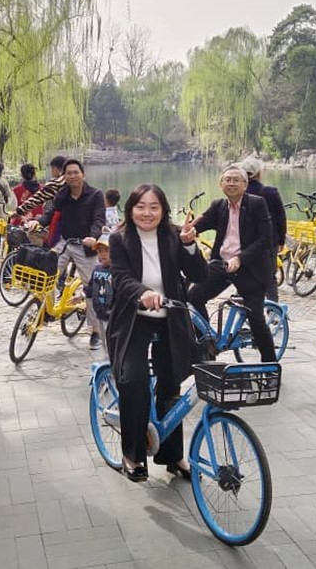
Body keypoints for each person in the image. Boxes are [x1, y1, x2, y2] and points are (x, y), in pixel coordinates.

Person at [106, 183, 206, 482]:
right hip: (134, 320)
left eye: (154, 207)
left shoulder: (174, 236)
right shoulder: (119, 238)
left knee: (171, 384)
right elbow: (120, 278)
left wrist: (190, 246)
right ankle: (132, 455)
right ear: (131, 208)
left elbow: (199, 275)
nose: (147, 213)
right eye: (141, 206)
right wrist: (143, 293)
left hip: (170, 318)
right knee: (134, 382)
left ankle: (173, 456)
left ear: (163, 210)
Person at [187, 164, 276, 362]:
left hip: (250, 268)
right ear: (221, 184)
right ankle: (207, 344)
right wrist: (185, 233)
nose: (231, 183)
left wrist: (240, 258)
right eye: (227, 179)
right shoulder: (218, 206)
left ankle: (270, 363)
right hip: (222, 266)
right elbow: (196, 227)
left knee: (256, 319)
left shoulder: (257, 204)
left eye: (236, 180)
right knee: (193, 297)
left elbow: (265, 239)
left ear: (245, 184)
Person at [26, 159, 105, 349]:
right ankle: (48, 310)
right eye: (68, 173)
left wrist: (93, 237)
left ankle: (95, 331)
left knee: (92, 287)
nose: (72, 176)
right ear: (64, 176)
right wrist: (38, 222)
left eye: (75, 172)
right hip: (65, 242)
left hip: (85, 245)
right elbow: (52, 212)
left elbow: (98, 219)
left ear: (83, 174)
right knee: (46, 274)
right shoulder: (63, 194)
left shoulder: (95, 195)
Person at [241, 156, 287, 302]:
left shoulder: (238, 193)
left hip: (245, 240)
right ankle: (273, 311)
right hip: (269, 241)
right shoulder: (270, 192)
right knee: (269, 277)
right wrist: (281, 239)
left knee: (246, 272)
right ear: (258, 173)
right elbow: (281, 217)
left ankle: (248, 306)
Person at [85, 229, 113, 351]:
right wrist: (81, 295)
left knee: (113, 343)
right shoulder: (97, 269)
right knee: (105, 342)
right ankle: (108, 362)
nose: (102, 254)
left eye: (107, 251)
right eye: (100, 251)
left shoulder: (118, 271)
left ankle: (114, 365)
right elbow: (91, 287)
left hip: (113, 315)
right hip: (100, 313)